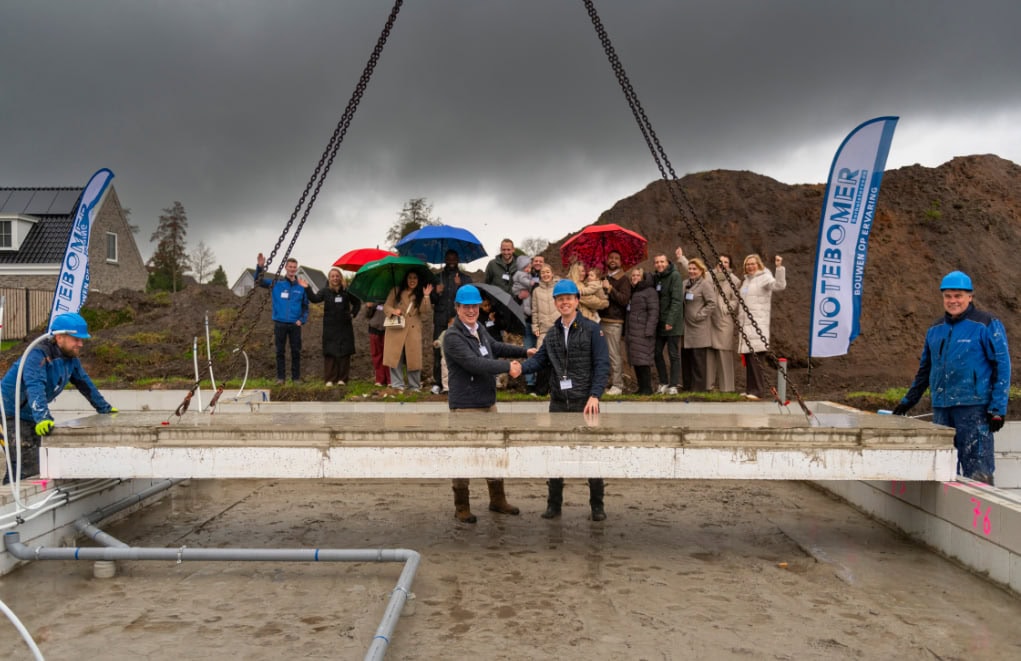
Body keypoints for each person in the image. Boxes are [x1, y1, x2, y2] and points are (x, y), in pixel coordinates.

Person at [893, 271, 1010, 485]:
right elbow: (925, 370)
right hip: (942, 410)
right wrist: (907, 402)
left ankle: (978, 517)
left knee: (978, 472)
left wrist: (997, 409)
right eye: (948, 296)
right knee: (944, 470)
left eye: (958, 296)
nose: (953, 301)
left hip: (974, 410)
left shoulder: (986, 324)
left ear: (970, 296)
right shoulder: (935, 330)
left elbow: (1002, 366)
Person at [520, 279, 610, 521]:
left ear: (577, 301)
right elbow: (539, 360)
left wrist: (595, 395)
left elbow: (602, 365)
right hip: (558, 402)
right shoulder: (552, 333)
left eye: (569, 298)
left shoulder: (592, 330)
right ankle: (554, 504)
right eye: (560, 299)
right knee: (556, 453)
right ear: (556, 303)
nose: (565, 302)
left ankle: (597, 505)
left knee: (591, 454)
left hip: (585, 401)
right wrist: (519, 368)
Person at [443, 285, 533, 522]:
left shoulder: (479, 329)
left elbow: (495, 347)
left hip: (487, 402)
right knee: (464, 456)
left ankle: (497, 499)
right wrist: (507, 367)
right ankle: (461, 505)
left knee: (494, 452)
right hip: (465, 406)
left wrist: (525, 352)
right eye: (466, 306)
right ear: (458, 308)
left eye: (474, 306)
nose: (471, 310)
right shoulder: (452, 337)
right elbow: (475, 363)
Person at [1, 313, 116, 484]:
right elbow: (35, 385)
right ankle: (11, 505)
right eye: (76, 339)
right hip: (7, 414)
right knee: (24, 465)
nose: (81, 344)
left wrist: (104, 408)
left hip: (29, 414)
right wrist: (43, 417)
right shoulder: (37, 355)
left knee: (39, 462)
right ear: (59, 337)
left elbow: (84, 383)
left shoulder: (69, 358)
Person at [254, 253, 309, 383]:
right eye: (290, 266)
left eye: (294, 267)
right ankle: (280, 378)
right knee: (280, 352)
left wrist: (302, 320)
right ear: (286, 267)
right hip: (280, 323)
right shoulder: (277, 284)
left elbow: (306, 306)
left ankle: (296, 378)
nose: (292, 269)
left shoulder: (301, 287)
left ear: (296, 269)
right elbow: (258, 281)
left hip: (295, 324)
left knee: (296, 352)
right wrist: (260, 267)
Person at [737, 253, 786, 400]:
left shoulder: (765, 277)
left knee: (756, 360)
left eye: (753, 264)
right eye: (748, 264)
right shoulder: (746, 282)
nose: (750, 266)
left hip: (757, 325)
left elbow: (779, 285)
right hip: (745, 326)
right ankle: (750, 389)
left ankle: (757, 391)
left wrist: (779, 268)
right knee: (749, 359)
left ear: (759, 265)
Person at [304, 267, 360, 386]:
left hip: (345, 326)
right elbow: (314, 299)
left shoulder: (347, 291)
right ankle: (330, 379)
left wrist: (352, 314)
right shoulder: (325, 291)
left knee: (344, 352)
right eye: (332, 276)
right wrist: (307, 288)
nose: (335, 278)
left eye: (337, 275)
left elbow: (357, 303)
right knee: (330, 352)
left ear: (340, 277)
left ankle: (342, 379)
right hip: (330, 327)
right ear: (329, 278)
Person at [429, 249, 473, 394]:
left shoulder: (466, 279)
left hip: (458, 320)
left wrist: (460, 286)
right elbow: (432, 300)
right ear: (445, 260)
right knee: (438, 350)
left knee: (460, 350)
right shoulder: (437, 278)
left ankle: (459, 381)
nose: (452, 261)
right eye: (449, 258)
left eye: (454, 258)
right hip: (441, 319)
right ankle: (438, 382)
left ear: (458, 260)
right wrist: (437, 292)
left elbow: (469, 299)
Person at [382, 270, 433, 391]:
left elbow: (425, 311)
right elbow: (386, 306)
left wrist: (426, 296)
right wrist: (394, 311)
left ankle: (414, 386)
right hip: (397, 328)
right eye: (410, 277)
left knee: (413, 358)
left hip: (413, 328)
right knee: (395, 357)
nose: (412, 280)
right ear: (406, 279)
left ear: (418, 280)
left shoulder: (421, 293)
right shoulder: (396, 290)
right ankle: (397, 385)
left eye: (415, 278)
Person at [681, 257, 717, 392]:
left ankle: (698, 388)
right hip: (686, 328)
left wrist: (699, 315)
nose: (691, 271)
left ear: (701, 270)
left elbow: (712, 303)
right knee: (686, 359)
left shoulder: (705, 284)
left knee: (698, 360)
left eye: (694, 269)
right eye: (690, 268)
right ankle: (687, 387)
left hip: (698, 328)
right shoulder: (685, 283)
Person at [600, 250, 632, 395]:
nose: (613, 260)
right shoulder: (603, 277)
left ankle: (618, 385)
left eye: (616, 258)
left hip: (614, 321)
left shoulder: (624, 279)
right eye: (610, 257)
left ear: (620, 262)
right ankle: (607, 382)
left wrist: (610, 289)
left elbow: (624, 300)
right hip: (600, 320)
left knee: (614, 354)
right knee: (603, 355)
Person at [707, 254, 741, 392]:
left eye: (726, 262)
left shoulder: (735, 280)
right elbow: (693, 270)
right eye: (720, 261)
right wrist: (682, 259)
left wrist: (725, 309)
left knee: (724, 352)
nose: (723, 264)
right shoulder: (708, 276)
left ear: (729, 265)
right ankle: (708, 386)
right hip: (709, 319)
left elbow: (736, 300)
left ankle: (727, 388)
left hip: (724, 320)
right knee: (709, 353)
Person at [652, 252, 684, 394]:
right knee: (657, 353)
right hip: (660, 323)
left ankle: (673, 384)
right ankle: (663, 382)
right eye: (657, 262)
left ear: (667, 262)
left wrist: (670, 320)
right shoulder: (657, 278)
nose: (659, 264)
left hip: (672, 323)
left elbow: (677, 300)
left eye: (662, 262)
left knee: (673, 354)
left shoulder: (675, 276)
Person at [626, 268, 659, 395]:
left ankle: (647, 388)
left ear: (643, 277)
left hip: (644, 331)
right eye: (633, 275)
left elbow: (653, 311)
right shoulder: (634, 291)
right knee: (637, 361)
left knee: (643, 361)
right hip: (634, 331)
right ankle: (642, 388)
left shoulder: (649, 291)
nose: (634, 277)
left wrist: (649, 330)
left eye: (637, 275)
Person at [530, 263, 560, 396]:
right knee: (542, 358)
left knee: (558, 360)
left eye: (548, 272)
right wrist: (535, 326)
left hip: (557, 328)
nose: (546, 275)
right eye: (543, 273)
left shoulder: (559, 288)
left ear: (552, 273)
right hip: (542, 330)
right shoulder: (536, 291)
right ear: (540, 275)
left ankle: (556, 390)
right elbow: (534, 311)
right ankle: (541, 390)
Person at [364, 301, 390, 386]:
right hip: (374, 329)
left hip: (388, 329)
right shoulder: (373, 299)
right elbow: (367, 316)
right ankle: (380, 379)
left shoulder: (391, 297)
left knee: (388, 355)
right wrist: (369, 307)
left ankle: (390, 380)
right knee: (377, 355)